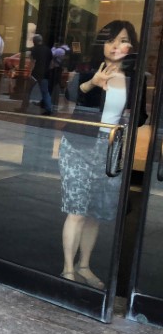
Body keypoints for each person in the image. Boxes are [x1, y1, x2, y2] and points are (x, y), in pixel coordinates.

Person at [58, 20, 146, 288]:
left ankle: (85, 266)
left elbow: (140, 117)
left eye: (122, 40)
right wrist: (92, 83)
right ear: (102, 45)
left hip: (110, 148)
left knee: (95, 212)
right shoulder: (88, 69)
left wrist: (131, 111)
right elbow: (71, 95)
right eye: (109, 40)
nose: (115, 46)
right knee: (77, 210)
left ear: (132, 45)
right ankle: (68, 269)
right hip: (78, 145)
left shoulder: (135, 77)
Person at [24, 34, 53, 115]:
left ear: (34, 41)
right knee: (45, 92)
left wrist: (29, 72)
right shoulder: (48, 50)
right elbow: (51, 63)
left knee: (27, 90)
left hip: (35, 74)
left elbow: (32, 62)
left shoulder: (35, 49)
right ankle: (48, 109)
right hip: (45, 74)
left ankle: (24, 107)